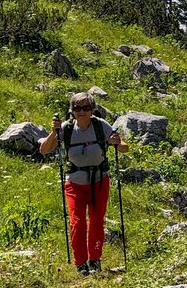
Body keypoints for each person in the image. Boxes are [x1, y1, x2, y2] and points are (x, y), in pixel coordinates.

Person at [40, 92, 128, 275]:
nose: (81, 111)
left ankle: (94, 261)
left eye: (86, 107)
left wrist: (117, 143)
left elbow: (124, 147)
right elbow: (44, 150)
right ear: (72, 111)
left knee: (96, 222)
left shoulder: (100, 125)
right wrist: (53, 132)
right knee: (77, 223)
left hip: (99, 181)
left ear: (92, 109)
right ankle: (81, 264)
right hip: (75, 184)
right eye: (77, 108)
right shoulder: (66, 128)